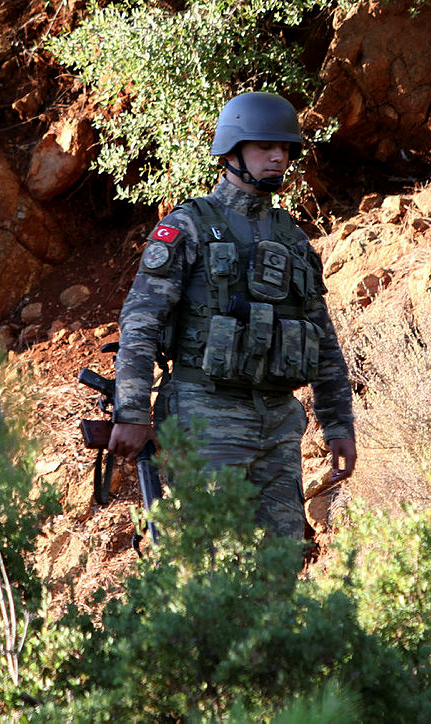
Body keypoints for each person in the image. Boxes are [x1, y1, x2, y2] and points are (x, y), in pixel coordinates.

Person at [107, 91, 357, 538]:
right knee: (215, 566)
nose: (278, 157)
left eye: (285, 149)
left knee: (280, 569)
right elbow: (140, 320)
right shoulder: (189, 225)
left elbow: (322, 338)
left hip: (278, 422)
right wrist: (131, 411)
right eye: (266, 147)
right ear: (233, 150)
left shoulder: (293, 239)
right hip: (204, 416)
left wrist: (338, 424)